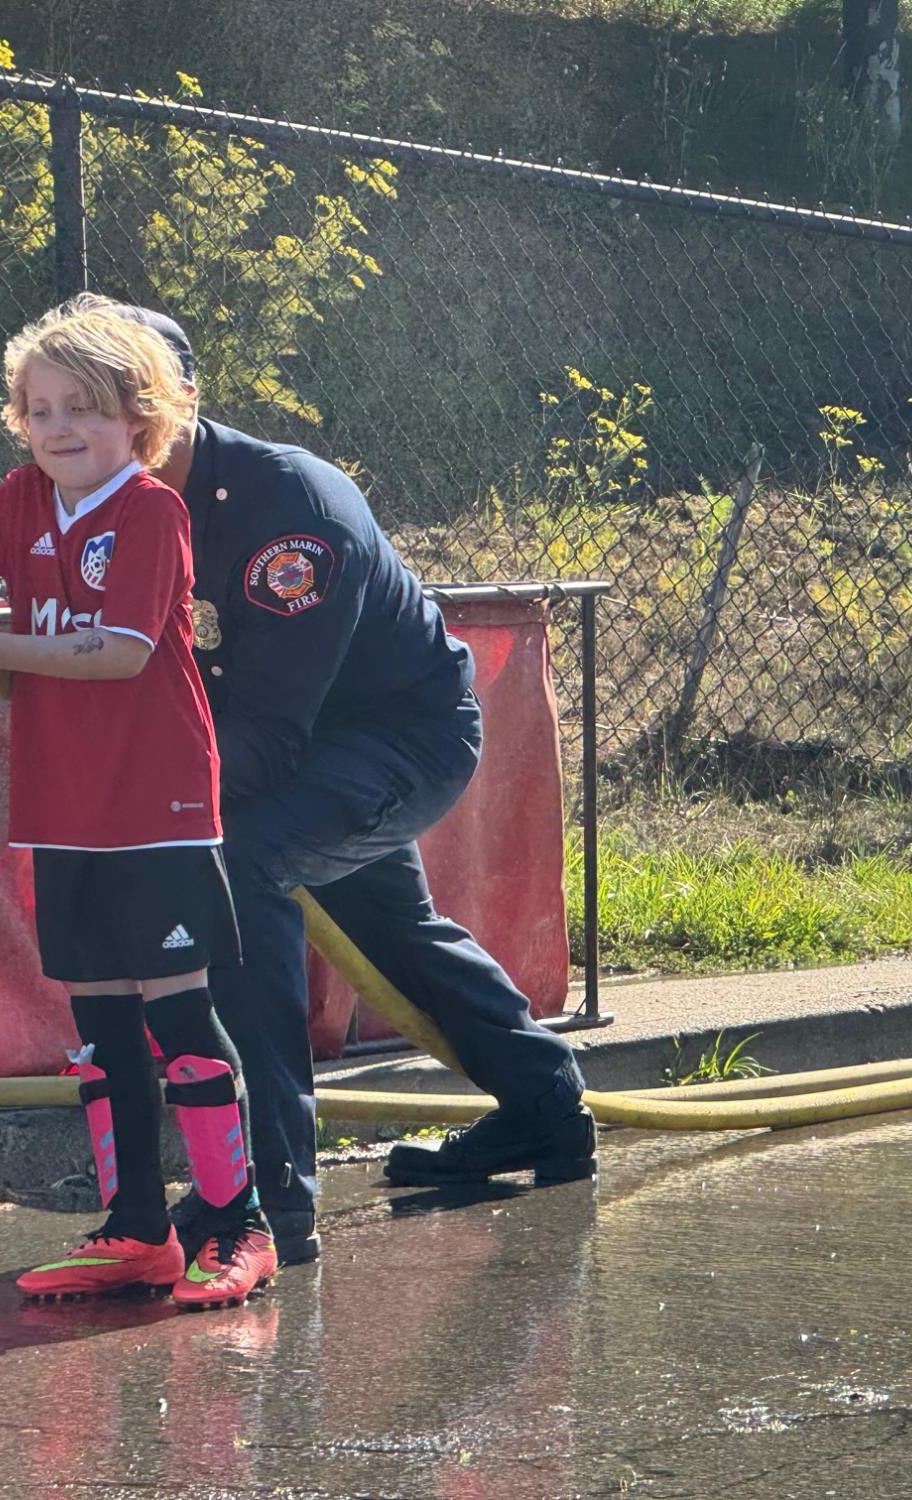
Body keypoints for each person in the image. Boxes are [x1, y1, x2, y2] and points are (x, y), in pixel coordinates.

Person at [106, 299, 596, 1268]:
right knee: (392, 935)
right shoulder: (100, 488)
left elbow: (270, 734)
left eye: (127, 402)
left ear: (181, 402)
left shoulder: (286, 513)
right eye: (71, 404)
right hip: (290, 733)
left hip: (392, 739)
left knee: (244, 865)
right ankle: (546, 1112)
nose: (95, 430)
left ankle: (270, 1198)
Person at [0, 302, 278, 1310]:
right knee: (100, 1030)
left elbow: (116, 653)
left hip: (157, 807)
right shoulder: (21, 499)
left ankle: (236, 1224)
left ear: (140, 416)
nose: (56, 429)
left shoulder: (151, 514)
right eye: (38, 409)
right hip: (62, 812)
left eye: (80, 407)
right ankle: (135, 1231)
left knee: (180, 1019)